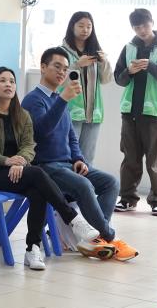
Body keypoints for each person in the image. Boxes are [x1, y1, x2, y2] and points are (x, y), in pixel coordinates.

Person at [0, 66, 99, 271]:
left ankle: (32, 248)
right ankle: (72, 218)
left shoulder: (22, 115)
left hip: (19, 171)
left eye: (12, 81)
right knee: (38, 174)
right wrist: (7, 161)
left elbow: (29, 145)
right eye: (2, 80)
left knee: (38, 191)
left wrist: (20, 161)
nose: (8, 84)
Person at [24, 48, 139, 262]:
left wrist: (78, 159)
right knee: (84, 186)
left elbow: (71, 137)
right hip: (46, 167)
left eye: (65, 69)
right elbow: (41, 131)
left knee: (110, 183)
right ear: (43, 67)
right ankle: (108, 237)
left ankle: (97, 239)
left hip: (67, 164)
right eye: (57, 66)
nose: (62, 72)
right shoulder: (33, 100)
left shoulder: (59, 99)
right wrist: (63, 99)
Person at [113, 9, 157, 216]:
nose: (142, 30)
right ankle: (127, 199)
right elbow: (119, 79)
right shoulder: (128, 48)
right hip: (130, 113)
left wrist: (151, 66)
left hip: (154, 114)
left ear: (152, 23)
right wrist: (129, 72)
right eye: (137, 27)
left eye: (145, 25)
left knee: (155, 160)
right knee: (130, 159)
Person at [60, 12, 113, 165]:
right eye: (81, 26)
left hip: (93, 113)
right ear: (72, 27)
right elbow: (59, 80)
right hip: (71, 113)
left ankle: (85, 181)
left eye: (89, 26)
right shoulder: (62, 52)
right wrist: (77, 65)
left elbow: (106, 79)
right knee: (68, 156)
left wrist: (104, 62)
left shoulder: (95, 52)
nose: (85, 30)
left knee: (87, 159)